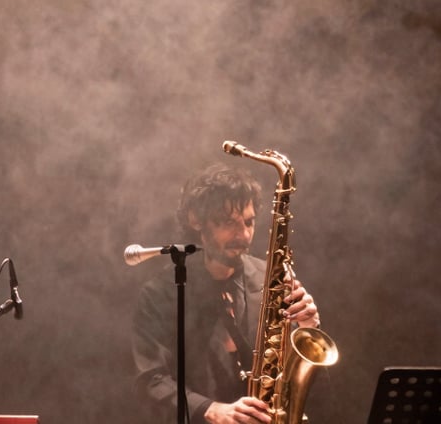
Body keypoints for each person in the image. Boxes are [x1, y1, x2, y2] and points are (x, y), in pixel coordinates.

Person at [131, 163, 322, 424]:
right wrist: (210, 409)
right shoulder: (160, 294)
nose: (243, 234)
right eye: (228, 222)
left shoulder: (270, 279)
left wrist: (306, 327)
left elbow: (290, 373)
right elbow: (151, 379)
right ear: (196, 220)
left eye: (249, 222)